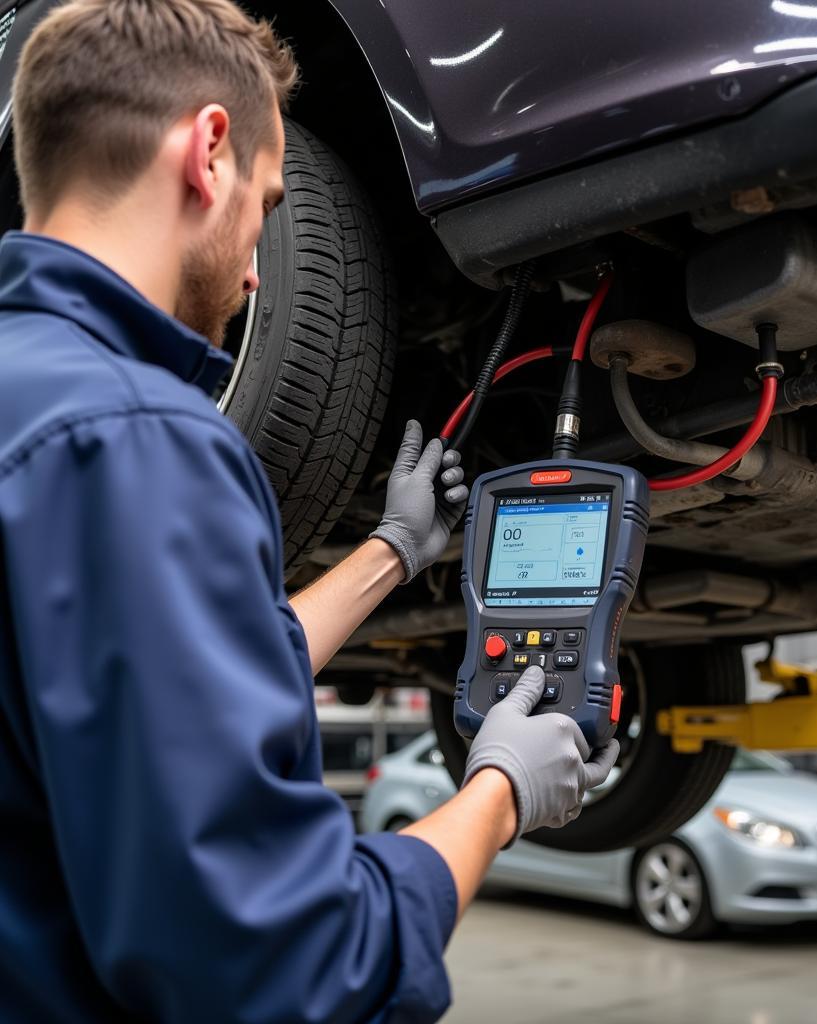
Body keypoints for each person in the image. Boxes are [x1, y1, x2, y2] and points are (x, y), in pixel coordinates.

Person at [0, 2, 619, 1022]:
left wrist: (392, 548)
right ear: (208, 151)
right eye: (270, 199)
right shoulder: (136, 434)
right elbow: (285, 965)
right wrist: (496, 793)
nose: (255, 268)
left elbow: (144, 687)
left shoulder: (49, 406)